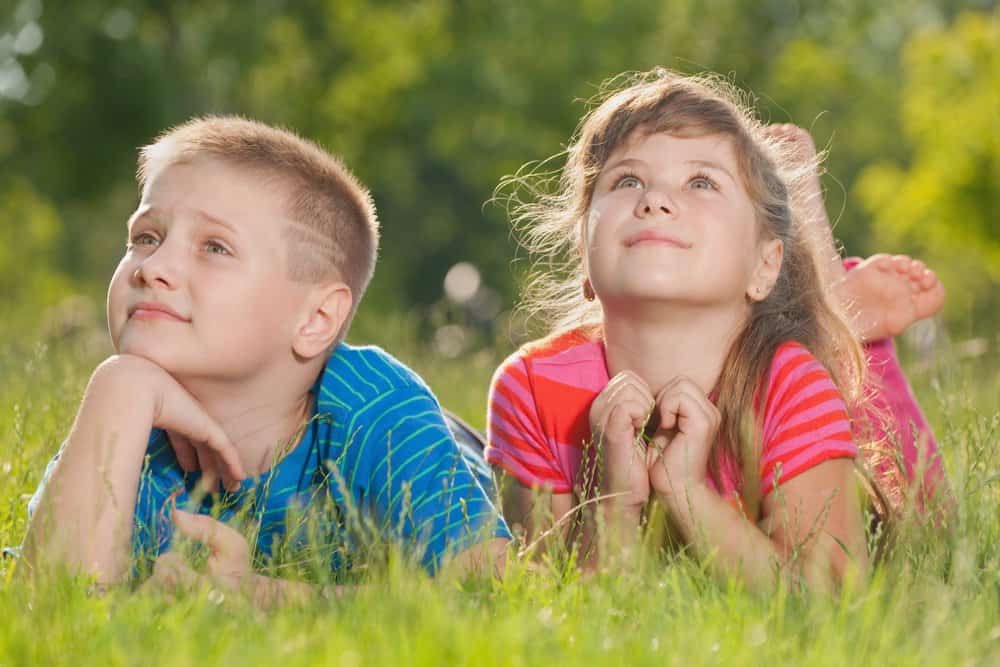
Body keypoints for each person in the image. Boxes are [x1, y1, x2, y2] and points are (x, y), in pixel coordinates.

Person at [20, 116, 509, 604]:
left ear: (316, 317)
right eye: (146, 237)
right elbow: (51, 608)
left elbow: (482, 588)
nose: (154, 268)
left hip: (444, 442)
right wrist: (121, 385)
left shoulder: (373, 407)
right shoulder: (124, 423)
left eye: (214, 247)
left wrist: (257, 596)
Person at [486, 69, 944, 590]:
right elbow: (555, 610)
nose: (654, 200)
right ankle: (836, 310)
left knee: (927, 517)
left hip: (812, 381)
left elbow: (833, 597)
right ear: (583, 258)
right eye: (627, 180)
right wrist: (612, 505)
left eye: (701, 182)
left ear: (763, 268)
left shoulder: (787, 382)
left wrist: (686, 494)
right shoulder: (530, 386)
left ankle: (855, 331)